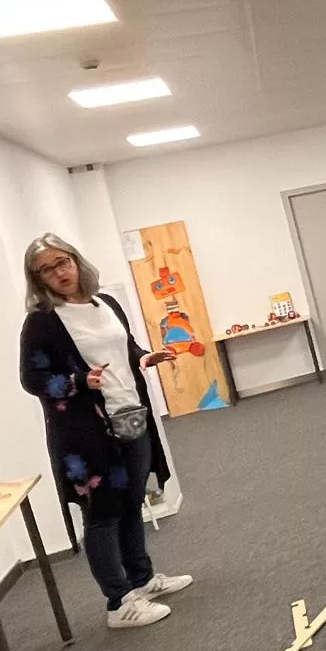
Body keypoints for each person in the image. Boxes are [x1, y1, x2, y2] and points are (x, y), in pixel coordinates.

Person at [19, 234, 193, 629]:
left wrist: (144, 357)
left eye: (62, 262)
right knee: (102, 515)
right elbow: (32, 378)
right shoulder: (43, 322)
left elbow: (124, 346)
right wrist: (79, 382)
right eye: (46, 269)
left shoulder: (105, 303)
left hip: (130, 413)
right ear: (37, 278)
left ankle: (142, 580)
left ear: (76, 261)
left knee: (131, 501)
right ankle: (118, 603)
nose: (58, 272)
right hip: (87, 433)